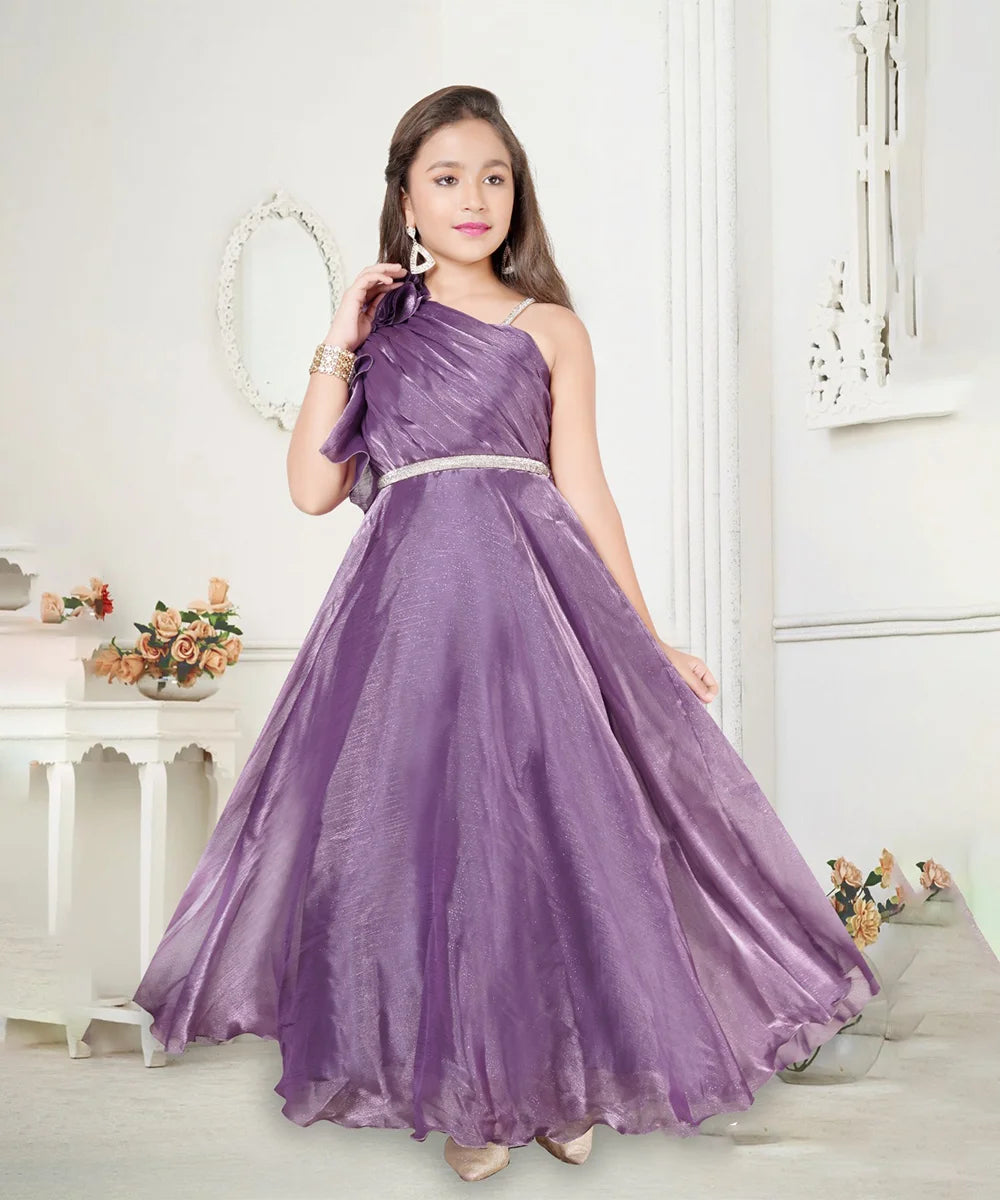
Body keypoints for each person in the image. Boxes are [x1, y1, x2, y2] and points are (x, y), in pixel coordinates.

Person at [132, 85, 880, 1184]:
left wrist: (645, 637)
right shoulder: (385, 337)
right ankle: (470, 1096)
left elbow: (586, 490)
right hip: (402, 624)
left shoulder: (550, 328)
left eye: (494, 176)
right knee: (425, 855)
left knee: (549, 846)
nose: (473, 197)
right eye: (446, 178)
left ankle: (558, 1085)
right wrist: (341, 333)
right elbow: (310, 488)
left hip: (534, 608)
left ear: (516, 193)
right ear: (406, 201)